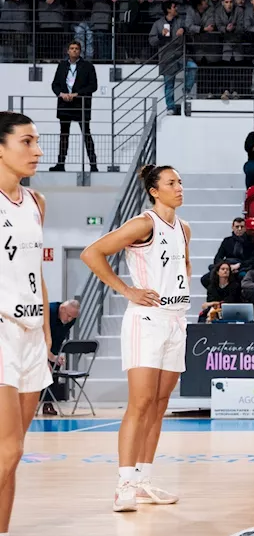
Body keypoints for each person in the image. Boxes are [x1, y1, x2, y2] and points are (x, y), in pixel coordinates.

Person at [80, 165, 190, 511]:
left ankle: (143, 480)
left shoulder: (184, 228)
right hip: (147, 319)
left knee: (159, 405)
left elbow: (182, 268)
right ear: (155, 191)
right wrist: (127, 290)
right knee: (140, 403)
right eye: (172, 183)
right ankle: (124, 482)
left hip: (176, 319)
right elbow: (91, 252)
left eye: (180, 182)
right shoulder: (144, 224)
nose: (179, 187)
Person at [0, 112, 57, 536]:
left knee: (12, 459)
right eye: (27, 141)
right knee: (6, 449)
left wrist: (44, 333)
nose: (37, 149)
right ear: (0, 149)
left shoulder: (36, 202)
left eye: (38, 141)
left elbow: (35, 274)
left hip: (30, 336)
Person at [50, 40, 98, 172]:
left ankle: (93, 164)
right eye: (72, 48)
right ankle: (60, 163)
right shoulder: (62, 66)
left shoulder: (88, 66)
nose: (74, 50)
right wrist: (61, 94)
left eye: (76, 48)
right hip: (65, 105)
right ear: (68, 51)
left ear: (80, 51)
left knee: (86, 134)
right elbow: (54, 84)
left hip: (81, 104)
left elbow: (93, 86)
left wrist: (77, 94)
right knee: (64, 135)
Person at [44, 299, 80, 407]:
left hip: (54, 344)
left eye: (73, 318)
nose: (70, 320)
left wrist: (56, 357)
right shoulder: (48, 311)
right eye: (69, 316)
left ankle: (48, 403)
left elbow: (60, 338)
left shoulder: (71, 320)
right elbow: (40, 336)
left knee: (54, 369)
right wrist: (45, 358)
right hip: (37, 342)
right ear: (62, 309)